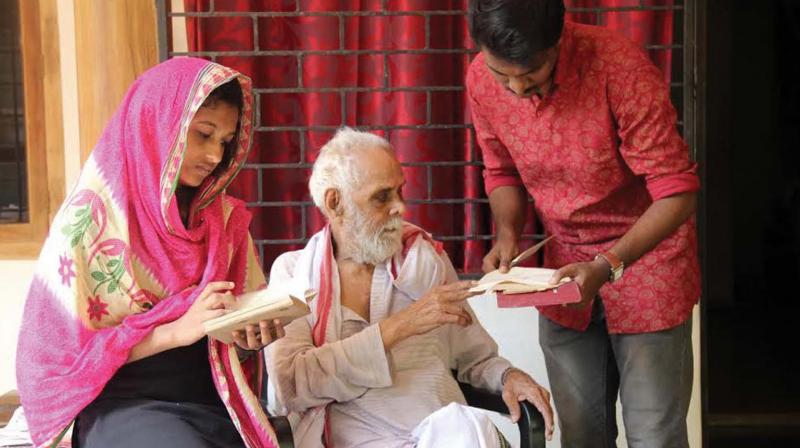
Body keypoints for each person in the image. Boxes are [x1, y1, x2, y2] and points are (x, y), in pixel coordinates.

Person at [16, 58, 285, 448]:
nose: (214, 155)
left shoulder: (222, 219)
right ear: (155, 125)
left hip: (211, 402)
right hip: (122, 405)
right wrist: (175, 330)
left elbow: (231, 326)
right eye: (203, 134)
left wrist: (247, 335)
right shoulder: (91, 219)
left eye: (224, 142)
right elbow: (58, 360)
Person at [466, 1, 700, 447]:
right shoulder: (481, 78)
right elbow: (501, 171)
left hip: (647, 258)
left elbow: (677, 191)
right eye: (503, 75)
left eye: (530, 74)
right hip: (563, 264)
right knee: (581, 433)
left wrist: (608, 263)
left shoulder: (618, 67)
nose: (515, 88)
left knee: (654, 434)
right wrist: (509, 235)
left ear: (557, 43)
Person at [265, 127, 555, 448]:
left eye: (400, 191)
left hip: (444, 436)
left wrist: (508, 377)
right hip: (361, 440)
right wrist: (402, 325)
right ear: (335, 203)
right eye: (382, 196)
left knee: (467, 429)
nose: (399, 207)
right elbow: (290, 384)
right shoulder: (293, 274)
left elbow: (475, 356)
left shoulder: (424, 261)